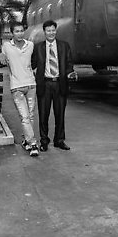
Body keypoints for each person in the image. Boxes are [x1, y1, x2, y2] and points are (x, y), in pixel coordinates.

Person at [31, 20, 77, 151]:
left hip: (59, 84)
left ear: (56, 31)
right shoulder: (38, 47)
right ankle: (44, 141)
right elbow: (32, 64)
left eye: (53, 30)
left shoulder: (64, 46)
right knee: (43, 115)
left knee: (60, 114)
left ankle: (59, 140)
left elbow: (69, 63)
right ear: (44, 32)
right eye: (48, 30)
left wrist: (70, 73)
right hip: (44, 84)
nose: (51, 33)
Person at [0, 21, 39, 157]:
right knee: (24, 116)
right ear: (12, 33)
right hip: (16, 87)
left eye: (22, 30)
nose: (20, 33)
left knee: (31, 116)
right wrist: (1, 57)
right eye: (17, 31)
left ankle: (26, 141)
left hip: (31, 85)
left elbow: (34, 61)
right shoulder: (6, 46)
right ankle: (33, 143)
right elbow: (1, 58)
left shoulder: (30, 45)